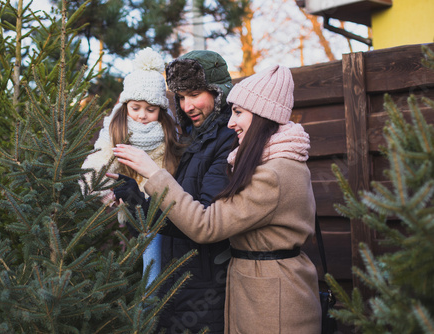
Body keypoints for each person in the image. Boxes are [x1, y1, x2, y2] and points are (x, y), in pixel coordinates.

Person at [109, 65, 322, 333]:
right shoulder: (257, 160)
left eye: (238, 113)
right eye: (181, 98)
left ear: (262, 115)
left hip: (273, 299)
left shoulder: (273, 173)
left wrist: (153, 172)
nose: (231, 122)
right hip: (253, 289)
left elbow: (207, 225)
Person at [114, 50, 236, 333]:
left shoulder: (228, 140)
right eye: (180, 97)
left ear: (218, 92)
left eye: (194, 94)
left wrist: (142, 191)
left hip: (204, 288)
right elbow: (170, 212)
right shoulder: (189, 138)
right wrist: (129, 197)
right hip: (174, 280)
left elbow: (202, 220)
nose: (187, 105)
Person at [80, 47, 182, 285]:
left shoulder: (168, 131)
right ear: (126, 105)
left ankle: (151, 303)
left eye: (151, 109)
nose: (142, 115)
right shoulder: (116, 128)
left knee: (154, 265)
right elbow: (97, 163)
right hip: (125, 207)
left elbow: (172, 170)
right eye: (135, 108)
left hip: (157, 211)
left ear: (161, 109)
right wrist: (104, 191)